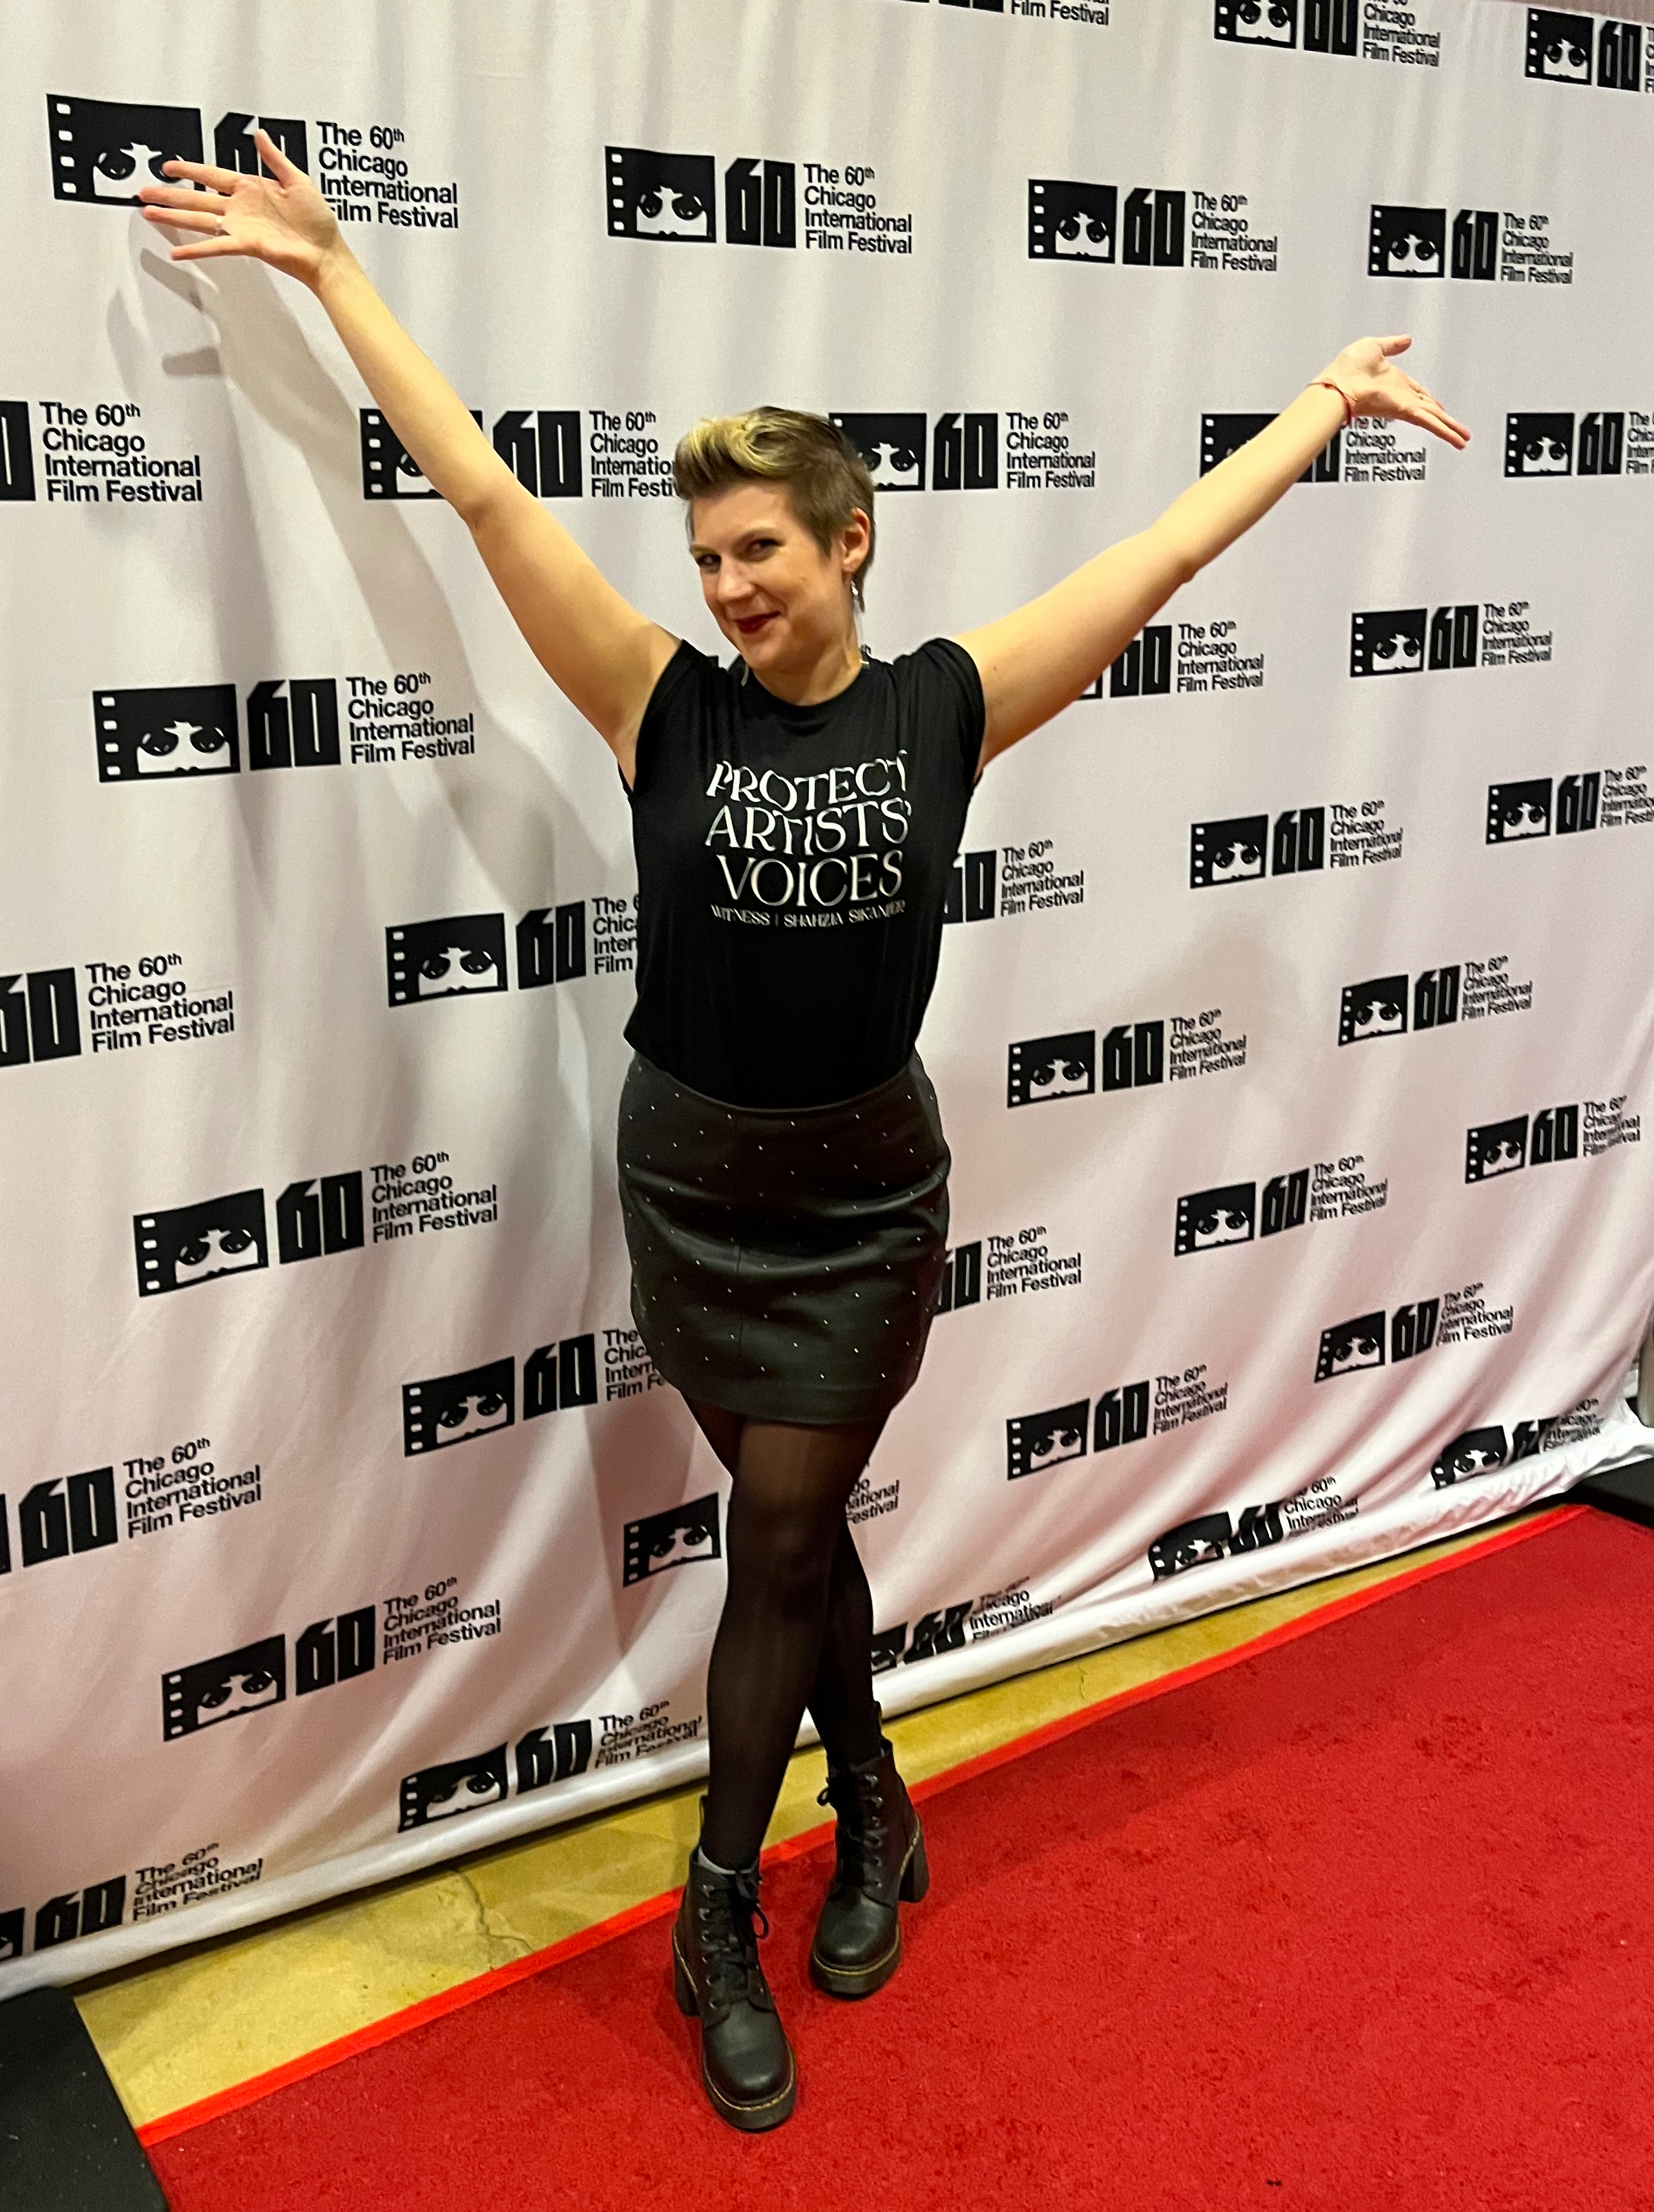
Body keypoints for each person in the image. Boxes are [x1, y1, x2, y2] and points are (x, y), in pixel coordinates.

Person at [140, 134, 1469, 2134]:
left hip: (856, 1201)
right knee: (791, 1543)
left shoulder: (946, 707)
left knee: (773, 1532)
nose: (727, 588)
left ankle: (711, 1912)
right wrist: (333, 277)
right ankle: (867, 1798)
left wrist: (1316, 406)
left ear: (852, 541)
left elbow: (1162, 559)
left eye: (761, 550)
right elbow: (483, 495)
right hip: (691, 1185)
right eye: (707, 561)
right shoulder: (655, 701)